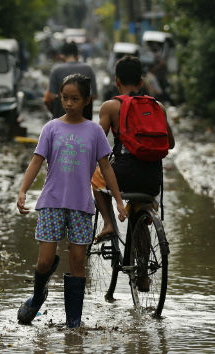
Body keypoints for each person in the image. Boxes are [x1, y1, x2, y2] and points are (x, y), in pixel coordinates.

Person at [17, 74, 127, 328]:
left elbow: (106, 169)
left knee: (78, 262)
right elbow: (36, 161)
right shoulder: (51, 128)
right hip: (51, 202)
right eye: (65, 98)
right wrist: (23, 191)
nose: (69, 104)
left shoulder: (95, 131)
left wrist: (119, 200)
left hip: (81, 206)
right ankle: (37, 296)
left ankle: (73, 324)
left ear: (87, 100)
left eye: (75, 99)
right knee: (45, 260)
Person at [90, 55, 175, 242]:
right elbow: (171, 144)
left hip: (123, 176)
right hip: (152, 179)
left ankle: (108, 224)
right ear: (141, 81)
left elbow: (96, 144)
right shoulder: (158, 106)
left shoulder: (110, 107)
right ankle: (143, 265)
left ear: (117, 81)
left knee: (96, 179)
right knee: (140, 211)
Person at [44, 41, 97, 120]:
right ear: (78, 55)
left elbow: (50, 97)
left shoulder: (56, 70)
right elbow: (94, 95)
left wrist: (55, 110)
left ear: (62, 56)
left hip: (61, 119)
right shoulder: (88, 69)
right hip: (84, 119)